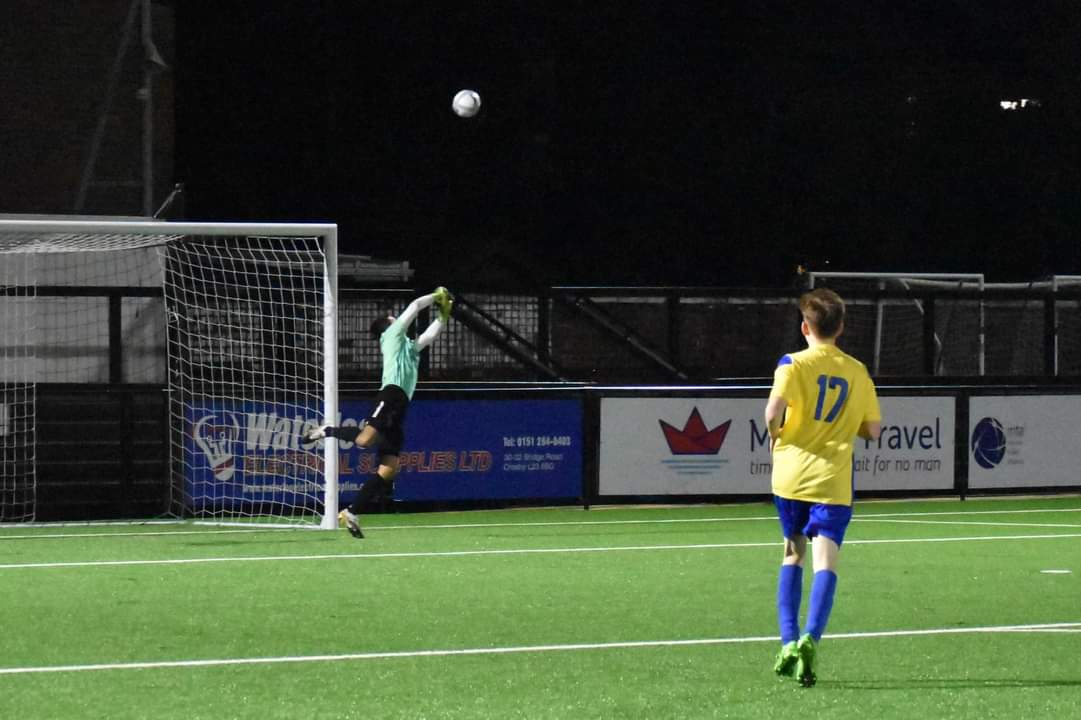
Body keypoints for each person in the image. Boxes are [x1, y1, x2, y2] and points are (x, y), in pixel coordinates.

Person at [764, 287, 881, 687]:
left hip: (791, 476)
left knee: (792, 554)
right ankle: (812, 637)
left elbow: (771, 413)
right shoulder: (857, 370)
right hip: (832, 480)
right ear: (841, 328)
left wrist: (776, 434)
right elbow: (874, 430)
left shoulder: (791, 363)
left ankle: (787, 641)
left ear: (804, 327)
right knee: (826, 563)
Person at [304, 287, 453, 538]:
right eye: (393, 317)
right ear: (388, 326)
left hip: (401, 404)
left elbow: (427, 338)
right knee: (364, 440)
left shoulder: (407, 346)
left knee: (389, 468)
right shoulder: (392, 335)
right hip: (391, 394)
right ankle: (326, 430)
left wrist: (443, 316)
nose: (397, 318)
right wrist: (436, 296)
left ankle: (352, 511)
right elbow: (416, 306)